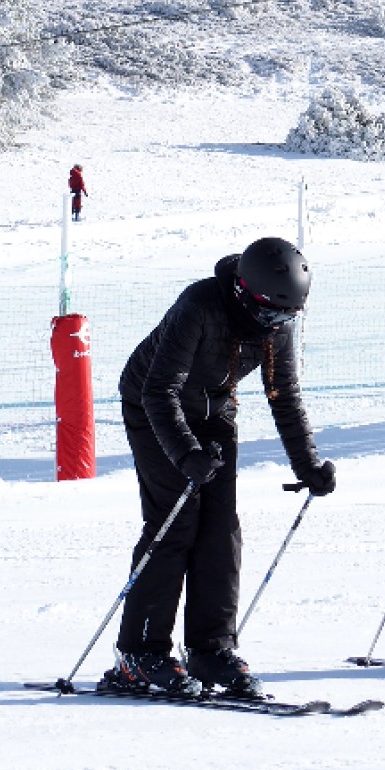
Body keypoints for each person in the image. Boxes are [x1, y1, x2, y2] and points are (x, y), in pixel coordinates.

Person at [108, 236, 337, 698]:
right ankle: (141, 652)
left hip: (214, 412)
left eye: (288, 316)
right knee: (175, 523)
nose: (278, 324)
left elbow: (284, 396)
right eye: (272, 313)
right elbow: (159, 391)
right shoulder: (200, 304)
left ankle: (211, 649)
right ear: (244, 294)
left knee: (221, 530)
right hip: (153, 405)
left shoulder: (278, 321)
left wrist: (307, 463)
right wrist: (184, 454)